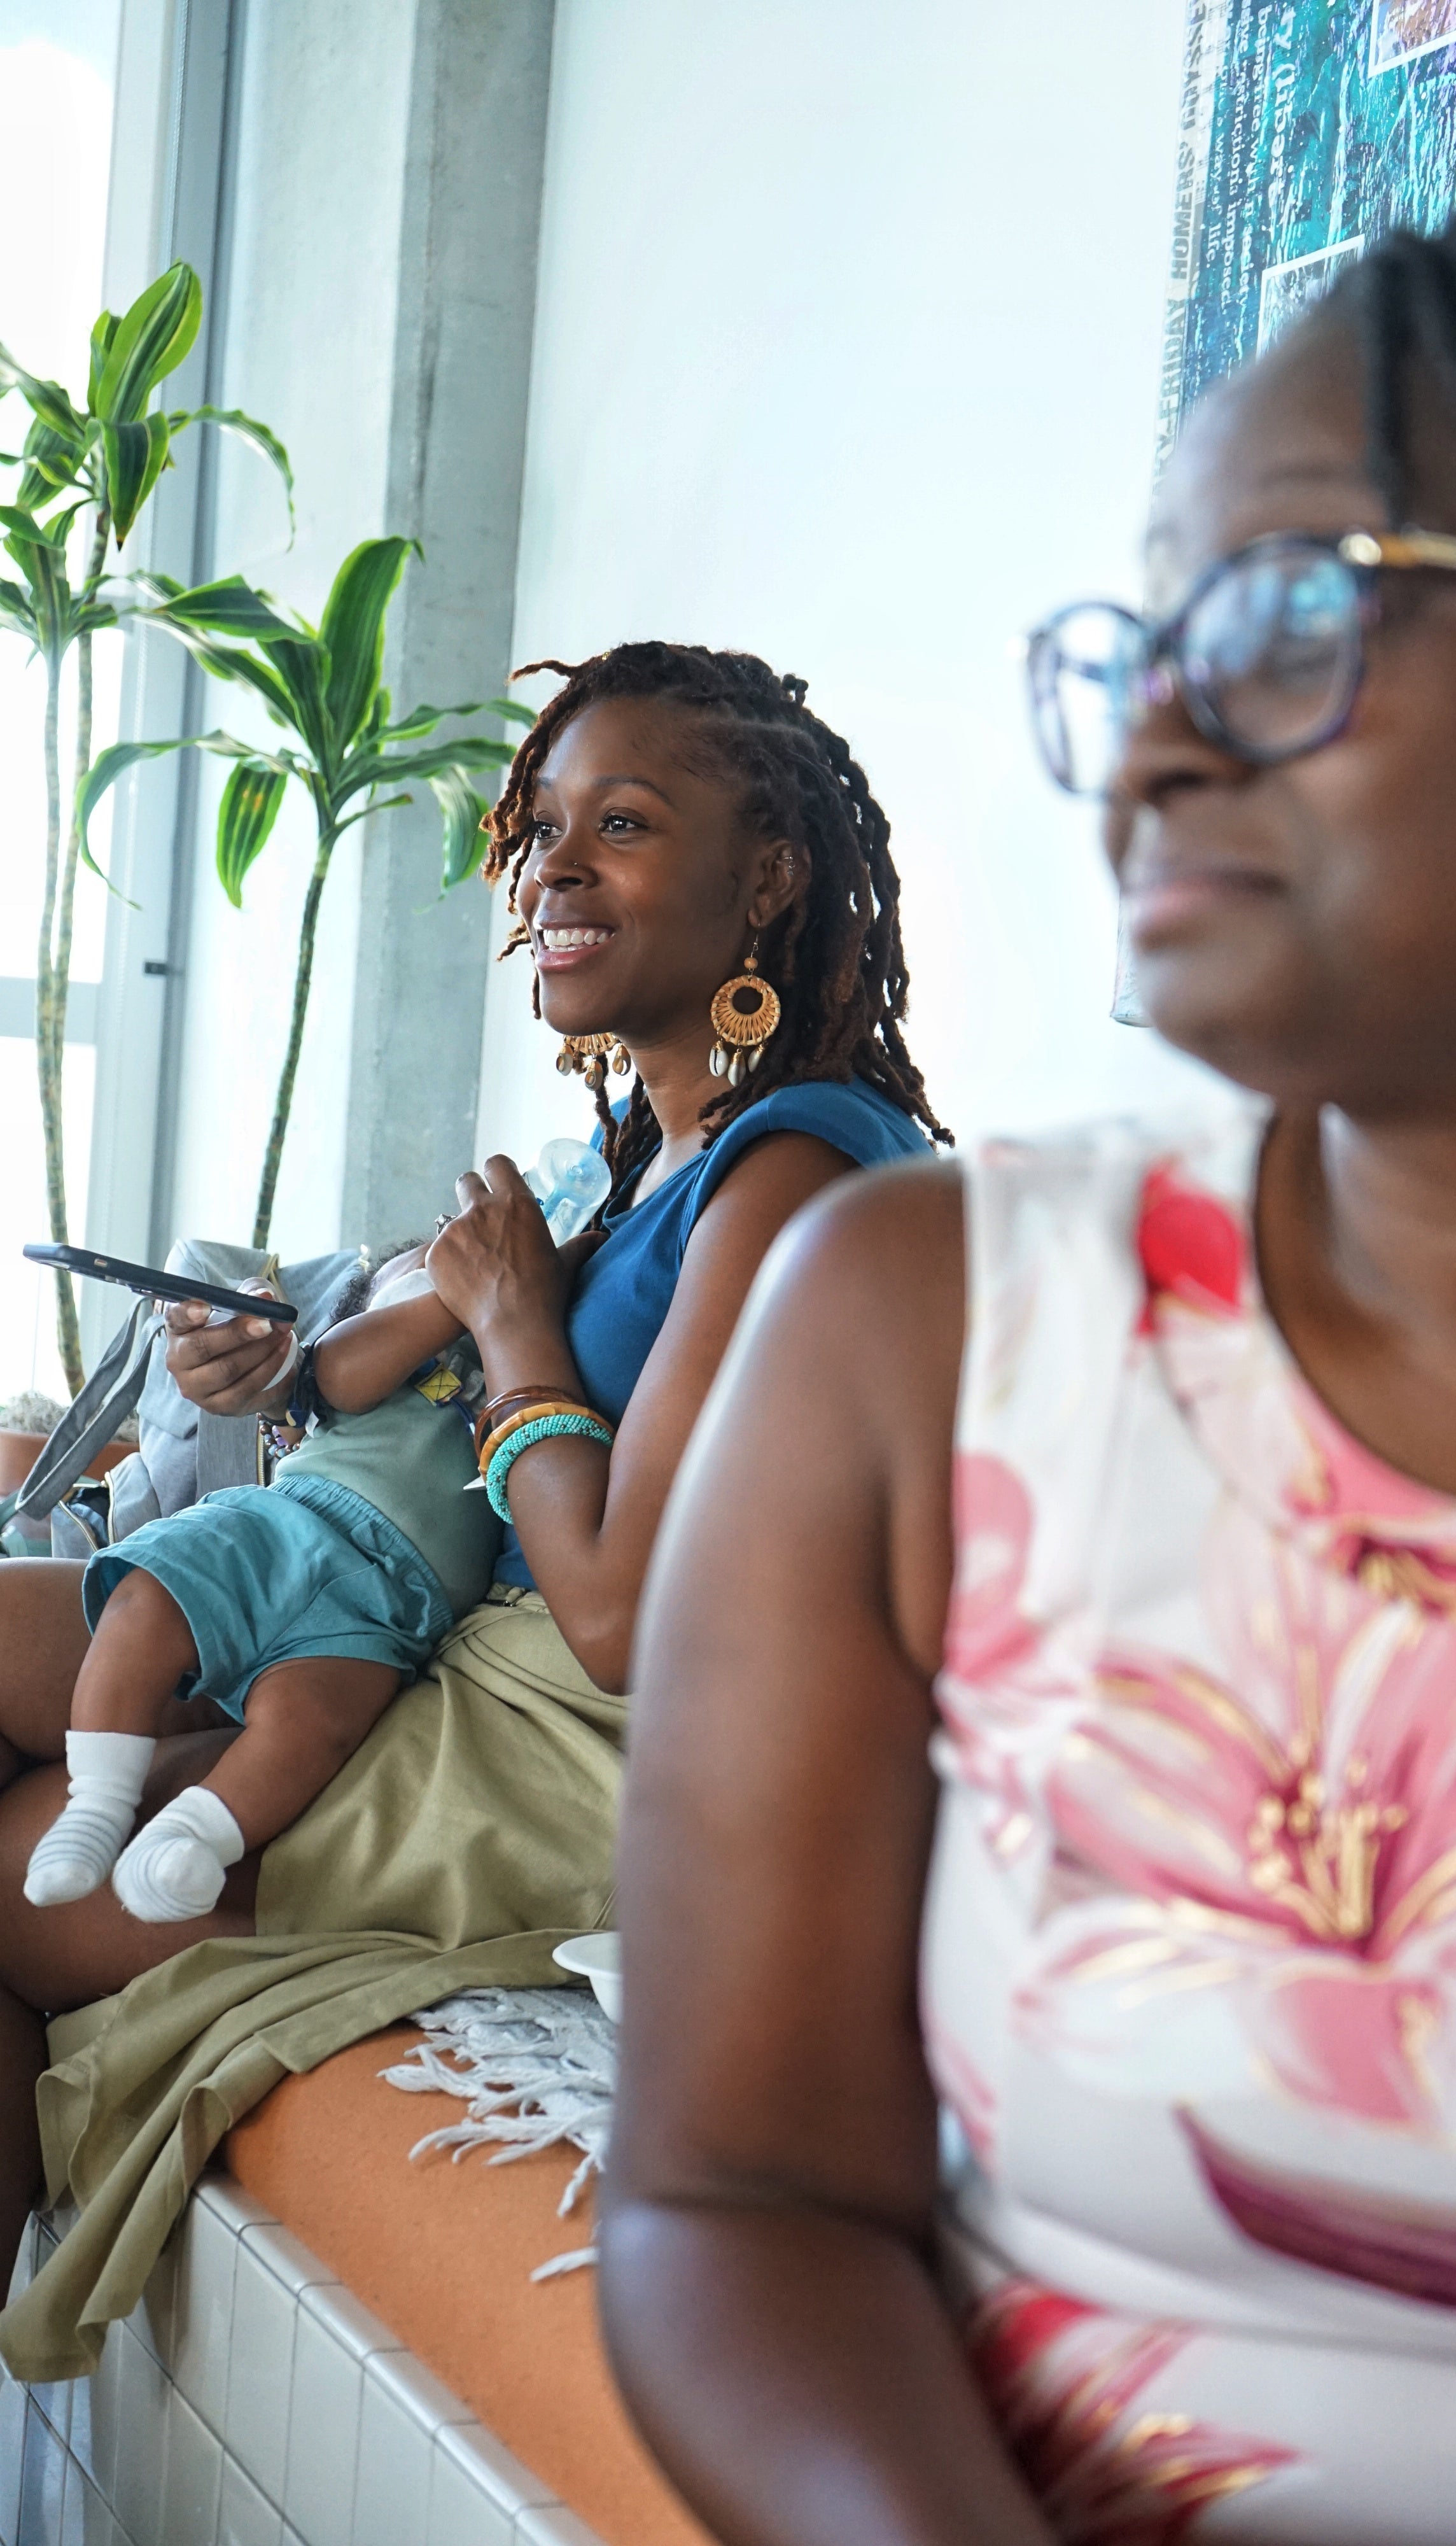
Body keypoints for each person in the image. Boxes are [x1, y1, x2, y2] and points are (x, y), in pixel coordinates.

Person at [601, 217, 1456, 2544]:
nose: (1154, 743)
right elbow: (735, 2192)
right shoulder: (930, 1324)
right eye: (1142, 638)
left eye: (1296, 603)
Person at [0, 642, 948, 2374]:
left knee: (17, 1878)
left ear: (768, 880)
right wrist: (284, 1372)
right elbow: (462, 1415)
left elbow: (616, 1611)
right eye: (542, 832)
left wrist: (515, 1326)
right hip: (435, 1623)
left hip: (587, 1735)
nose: (553, 870)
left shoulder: (802, 1169)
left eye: (625, 825)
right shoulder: (638, 1152)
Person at [22, 1244, 499, 1922]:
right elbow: (347, 1368)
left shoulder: (511, 1363)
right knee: (145, 1607)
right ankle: (97, 1804)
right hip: (286, 1530)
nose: (451, 1255)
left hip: (389, 1604)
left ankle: (190, 1838)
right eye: (424, 1259)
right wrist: (461, 1290)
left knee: (315, 1724)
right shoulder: (360, 1364)